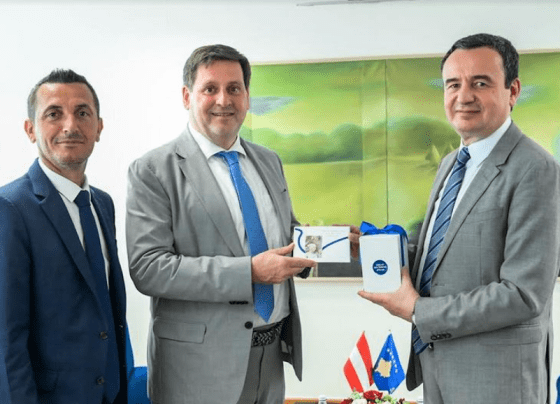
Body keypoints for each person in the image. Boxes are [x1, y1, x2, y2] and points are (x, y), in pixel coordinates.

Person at [352, 33, 560, 403]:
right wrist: (373, 249)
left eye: (480, 83)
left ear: (512, 91)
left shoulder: (536, 169)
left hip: (497, 381)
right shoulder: (452, 163)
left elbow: (523, 294)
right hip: (437, 369)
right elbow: (441, 256)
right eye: (453, 84)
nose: (463, 96)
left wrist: (419, 310)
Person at [126, 44, 316, 404]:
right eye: (210, 88)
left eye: (234, 88)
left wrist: (329, 241)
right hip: (197, 369)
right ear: (187, 96)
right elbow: (148, 269)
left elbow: (284, 235)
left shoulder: (268, 161)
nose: (223, 100)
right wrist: (250, 272)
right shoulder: (153, 170)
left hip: (271, 356)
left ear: (247, 97)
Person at [0, 69, 128, 403]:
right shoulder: (10, 208)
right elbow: (6, 336)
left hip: (109, 392)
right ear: (30, 129)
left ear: (99, 127)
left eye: (82, 113)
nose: (70, 125)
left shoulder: (103, 204)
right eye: (54, 114)